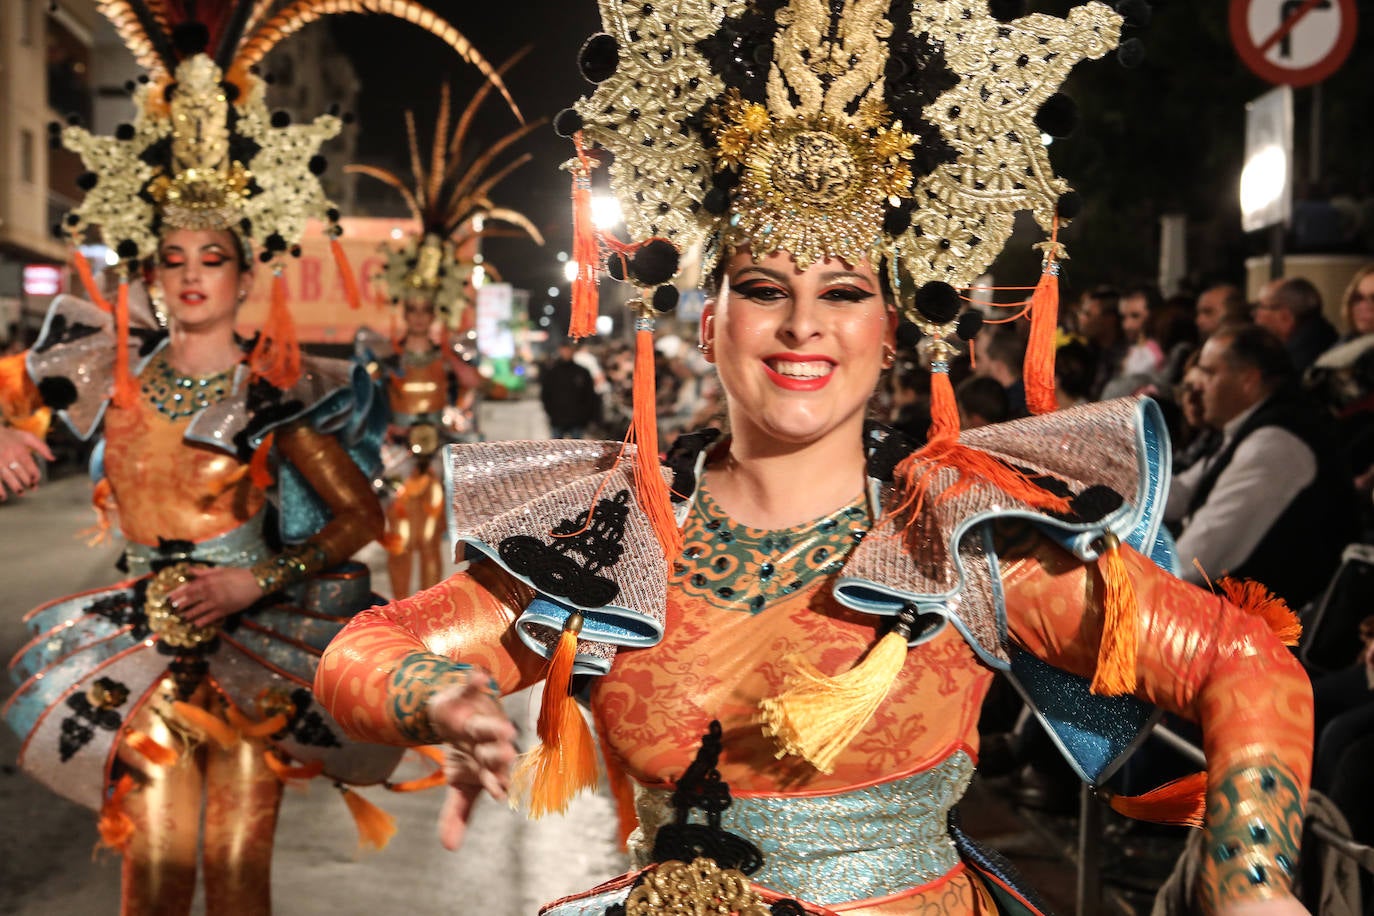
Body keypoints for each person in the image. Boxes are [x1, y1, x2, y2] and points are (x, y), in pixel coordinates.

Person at [315, 4, 1313, 914]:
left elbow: (1244, 662)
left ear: (892, 331)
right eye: (763, 288)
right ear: (708, 322)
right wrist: (438, 694)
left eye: (843, 292)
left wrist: (1250, 880)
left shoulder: (961, 537)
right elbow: (360, 653)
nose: (802, 326)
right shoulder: (615, 534)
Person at [0, 4, 517, 912]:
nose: (191, 273)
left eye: (212, 256)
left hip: (250, 655)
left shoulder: (275, 397)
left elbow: (362, 515)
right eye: (172, 258)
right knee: (153, 876)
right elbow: (17, 402)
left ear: (246, 275)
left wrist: (255, 578)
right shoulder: (105, 375)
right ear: (152, 275)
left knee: (237, 872)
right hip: (142, 648)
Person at [352, 80, 538, 597]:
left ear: (435, 312)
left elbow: (476, 386)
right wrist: (386, 435)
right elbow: (368, 406)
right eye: (411, 309)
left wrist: (461, 409)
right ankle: (398, 608)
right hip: (397, 457)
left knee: (434, 536)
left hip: (436, 457)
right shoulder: (386, 358)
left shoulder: (446, 356)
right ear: (403, 310)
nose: (417, 317)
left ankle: (425, 611)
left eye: (425, 310)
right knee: (398, 537)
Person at [1166, 325, 1356, 607]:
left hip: (1253, 627)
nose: (1197, 386)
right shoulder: (1247, 428)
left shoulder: (1275, 444)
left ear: (1248, 380)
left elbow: (1194, 560)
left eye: (1209, 373)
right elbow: (1180, 495)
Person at [1253, 277, 1338, 374]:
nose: (1255, 313)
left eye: (1261, 306)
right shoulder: (1324, 337)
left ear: (1285, 317)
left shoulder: (1292, 367)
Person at [540, 342, 599, 438]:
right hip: (557, 419)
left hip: (577, 420)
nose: (566, 352)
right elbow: (546, 394)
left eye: (568, 350)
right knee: (556, 446)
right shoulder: (552, 373)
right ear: (560, 351)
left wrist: (586, 416)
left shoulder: (582, 372)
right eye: (564, 350)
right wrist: (551, 413)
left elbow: (589, 395)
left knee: (577, 446)